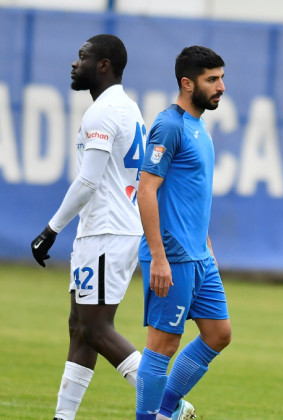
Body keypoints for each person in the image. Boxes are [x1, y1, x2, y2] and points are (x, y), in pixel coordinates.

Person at [28, 34, 157, 420]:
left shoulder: (102, 112)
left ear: (103, 65)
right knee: (80, 327)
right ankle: (62, 417)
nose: (74, 63)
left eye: (82, 56)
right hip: (108, 230)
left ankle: (172, 405)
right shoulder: (128, 108)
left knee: (97, 328)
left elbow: (88, 181)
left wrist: (50, 230)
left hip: (107, 231)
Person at [135, 46, 230, 420]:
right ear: (187, 83)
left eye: (222, 78)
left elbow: (190, 192)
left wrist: (206, 244)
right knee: (162, 345)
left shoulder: (198, 125)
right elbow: (146, 190)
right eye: (212, 79)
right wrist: (158, 256)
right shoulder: (170, 125)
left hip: (199, 256)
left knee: (219, 334)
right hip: (172, 256)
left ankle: (165, 409)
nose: (221, 86)